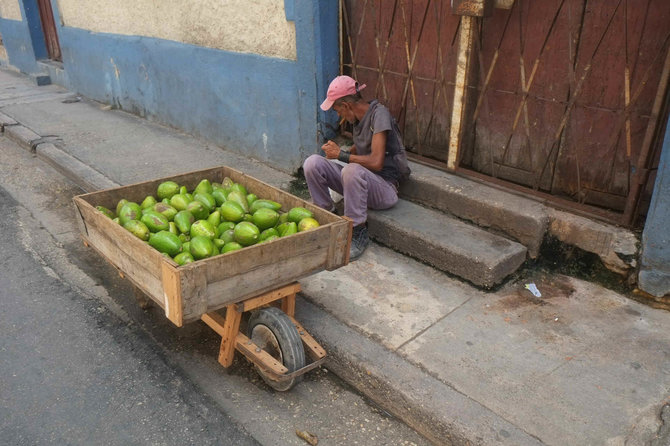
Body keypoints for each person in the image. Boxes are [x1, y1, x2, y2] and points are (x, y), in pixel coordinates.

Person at [303, 75, 410, 260]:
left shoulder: (379, 115)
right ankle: (327, 215)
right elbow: (361, 147)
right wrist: (339, 152)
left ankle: (358, 231)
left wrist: (341, 155)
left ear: (346, 106)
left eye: (338, 110)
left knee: (351, 170)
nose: (338, 116)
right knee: (312, 163)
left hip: (384, 188)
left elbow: (376, 161)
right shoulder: (358, 119)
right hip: (363, 182)